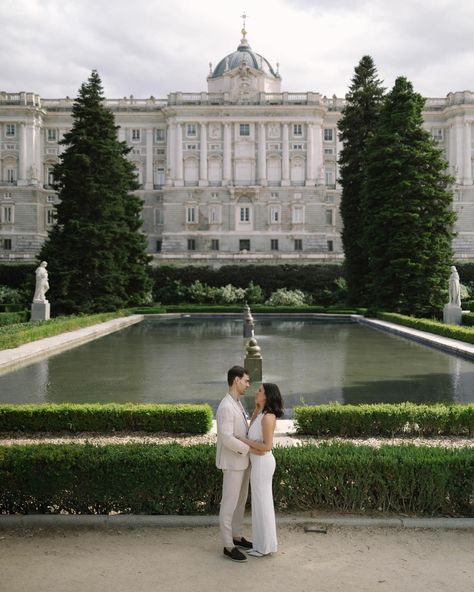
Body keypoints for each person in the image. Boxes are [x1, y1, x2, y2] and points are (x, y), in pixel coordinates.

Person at [237, 383, 284, 557]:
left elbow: (266, 446)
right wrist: (256, 409)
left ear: (267, 396)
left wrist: (244, 443)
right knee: (259, 503)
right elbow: (251, 432)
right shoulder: (261, 413)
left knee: (262, 503)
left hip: (263, 463)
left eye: (260, 391)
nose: (256, 392)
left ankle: (264, 547)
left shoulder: (269, 417)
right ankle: (262, 544)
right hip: (258, 463)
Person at [215, 365, 253, 563]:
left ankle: (237, 536)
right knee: (229, 504)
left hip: (242, 461)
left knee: (240, 501)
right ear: (236, 380)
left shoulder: (236, 403)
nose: (248, 384)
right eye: (246, 380)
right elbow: (227, 438)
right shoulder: (225, 406)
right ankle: (228, 545)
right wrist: (249, 448)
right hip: (232, 462)